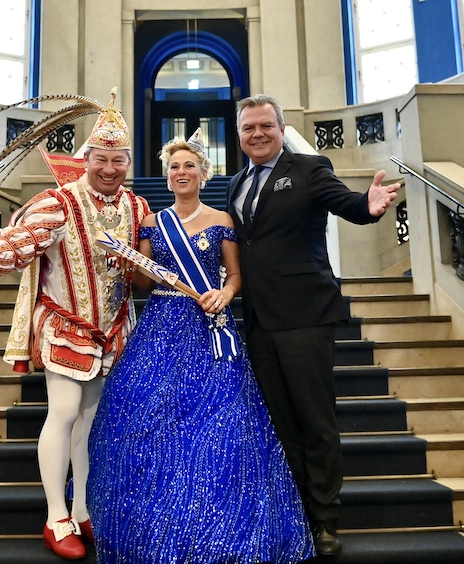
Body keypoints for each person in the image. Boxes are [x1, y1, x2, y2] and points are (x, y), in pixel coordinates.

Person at [87, 129, 315, 564]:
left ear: (204, 174)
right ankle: (151, 523)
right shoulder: (152, 223)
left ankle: (221, 521)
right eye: (174, 166)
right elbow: (140, 283)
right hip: (161, 324)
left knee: (219, 425)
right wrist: (128, 262)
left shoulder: (223, 221)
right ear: (166, 175)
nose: (181, 171)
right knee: (146, 416)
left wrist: (225, 295)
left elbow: (234, 276)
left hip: (209, 328)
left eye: (189, 165)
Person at [0, 94, 150, 560]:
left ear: (128, 163)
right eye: (102, 159)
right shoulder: (57, 203)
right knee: (64, 410)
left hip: (114, 327)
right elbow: (18, 241)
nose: (110, 168)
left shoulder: (136, 208)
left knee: (92, 419)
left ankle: (82, 508)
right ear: (87, 160)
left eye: (119, 160)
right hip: (65, 325)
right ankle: (56, 515)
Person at [226, 94, 401, 557]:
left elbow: (343, 202)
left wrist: (369, 204)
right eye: (249, 128)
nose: (258, 134)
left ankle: (325, 521)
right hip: (260, 321)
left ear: (281, 129)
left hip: (305, 315)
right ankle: (296, 514)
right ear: (239, 135)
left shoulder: (309, 168)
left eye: (266, 126)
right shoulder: (236, 183)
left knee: (316, 423)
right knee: (282, 425)